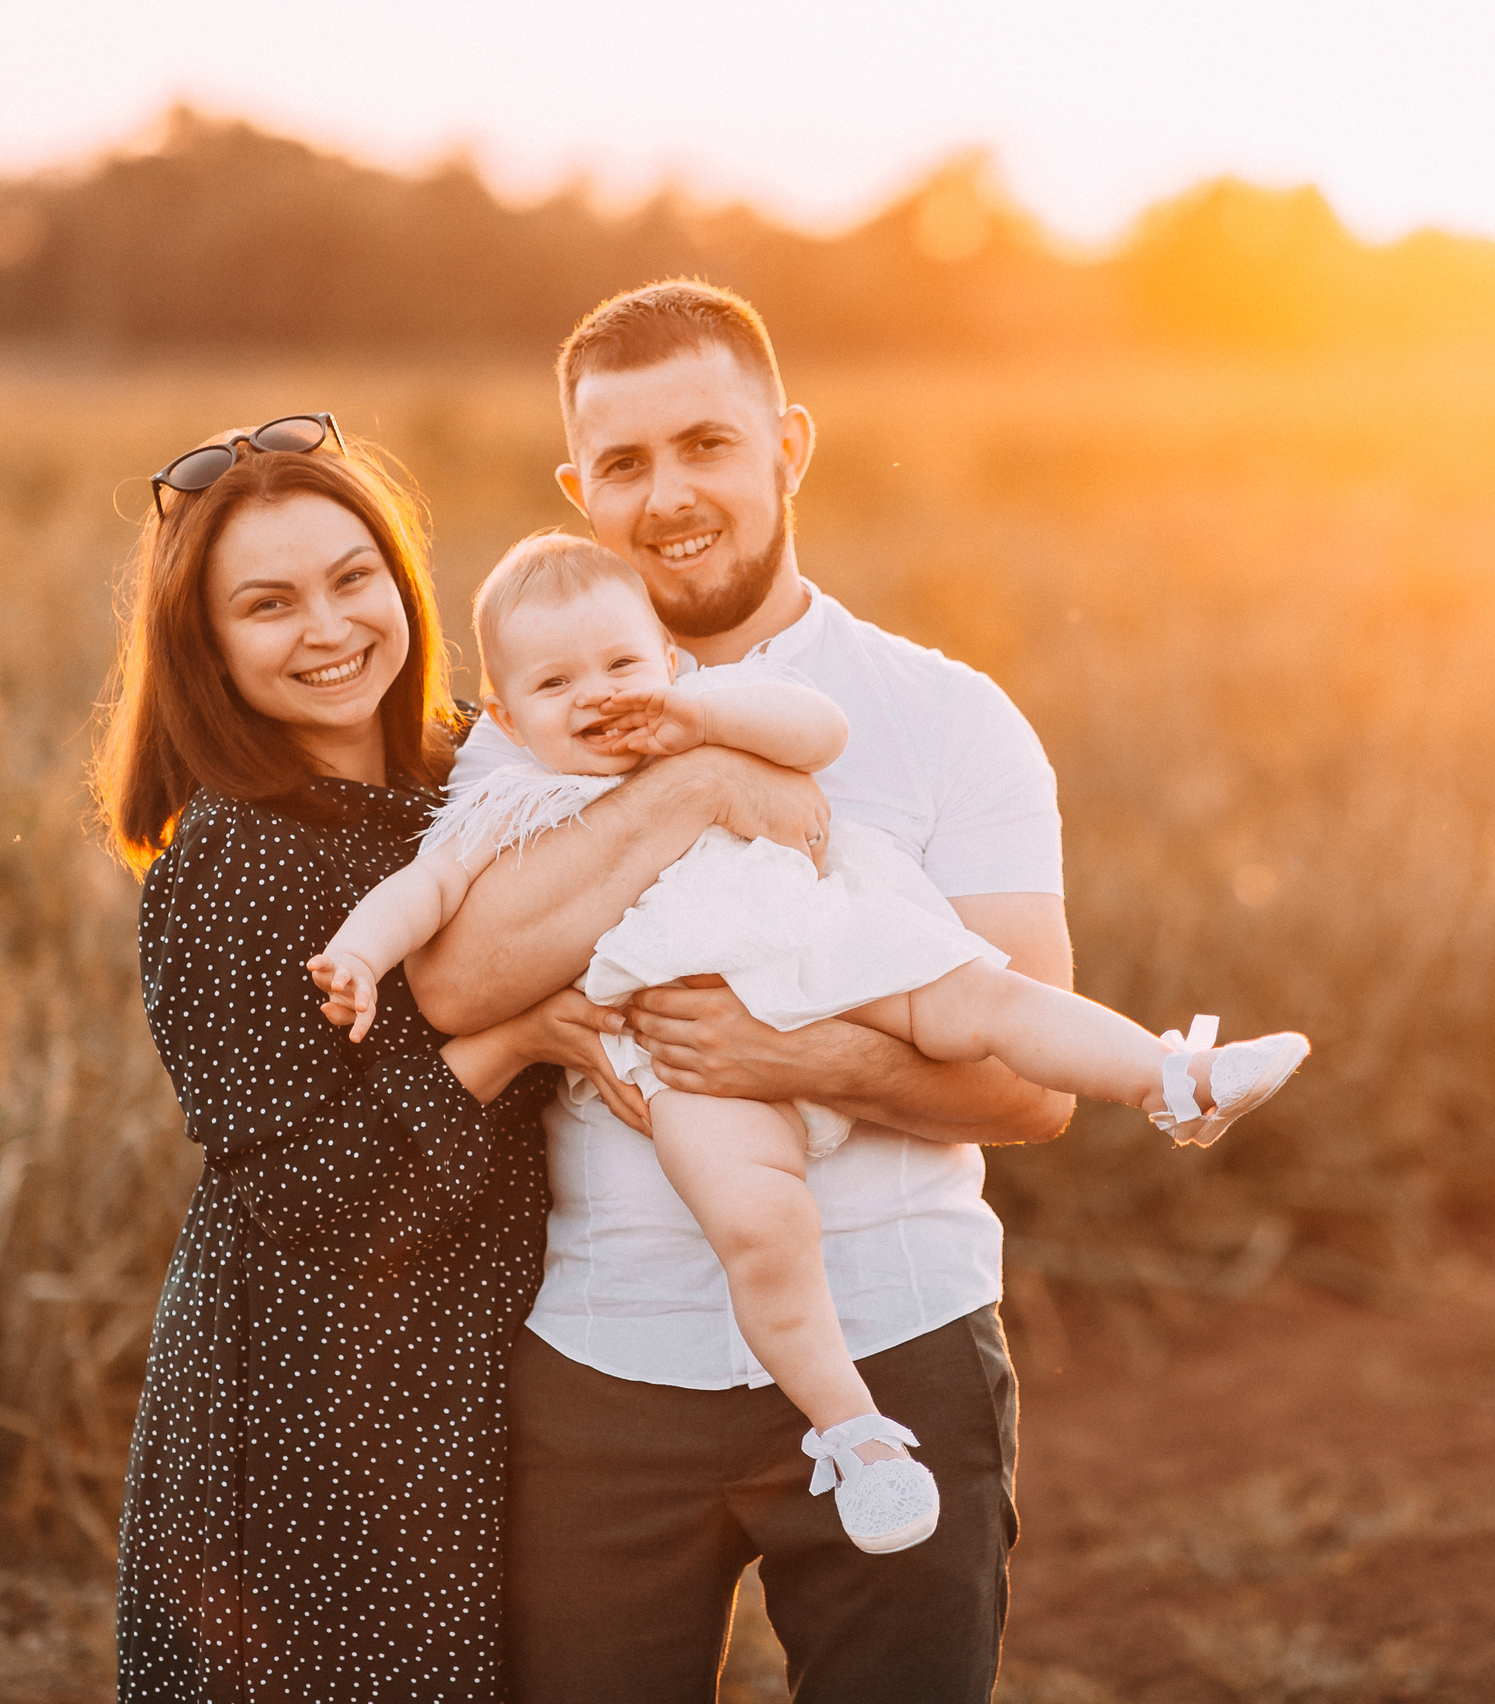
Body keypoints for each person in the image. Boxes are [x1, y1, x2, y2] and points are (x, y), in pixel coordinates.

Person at [397, 280, 1151, 1703]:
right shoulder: (522, 718)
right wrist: (699, 787)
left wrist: (780, 1056)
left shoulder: (946, 718)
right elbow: (458, 981)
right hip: (600, 1365)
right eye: (622, 465)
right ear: (578, 488)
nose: (668, 495)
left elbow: (1035, 1086)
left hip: (897, 1333)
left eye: (707, 445)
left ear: (788, 447)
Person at [310, 533, 1308, 1559]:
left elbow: (819, 728)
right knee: (759, 1231)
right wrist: (357, 952)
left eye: (621, 667)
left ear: (667, 663)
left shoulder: (703, 720)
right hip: (684, 1050)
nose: (596, 696)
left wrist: (692, 718)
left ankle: (1173, 1074)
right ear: (509, 716)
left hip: (826, 949)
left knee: (988, 1000)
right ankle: (858, 1436)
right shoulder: (509, 793)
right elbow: (423, 896)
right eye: (556, 682)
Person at [93, 417, 628, 1702]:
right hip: (305, 1418)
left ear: (402, 583)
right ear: (207, 646)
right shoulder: (235, 856)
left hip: (464, 1377)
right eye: (267, 604)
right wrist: (507, 1042)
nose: (327, 627)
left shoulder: (478, 772)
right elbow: (305, 1191)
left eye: (351, 579)